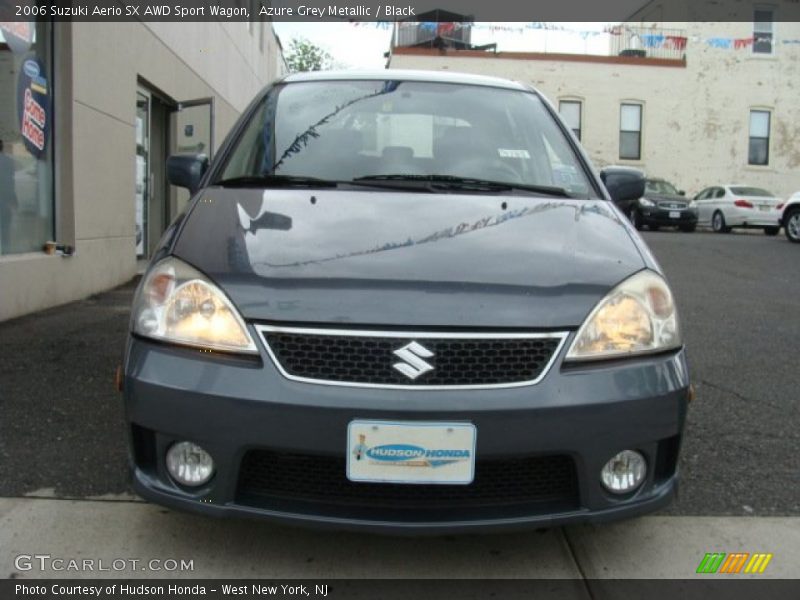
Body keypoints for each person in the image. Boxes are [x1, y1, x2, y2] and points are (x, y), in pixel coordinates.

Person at [0, 139, 18, 254]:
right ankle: (6, 253)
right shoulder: (9, 162)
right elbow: (9, 183)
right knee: (5, 229)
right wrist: (13, 199)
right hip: (4, 200)